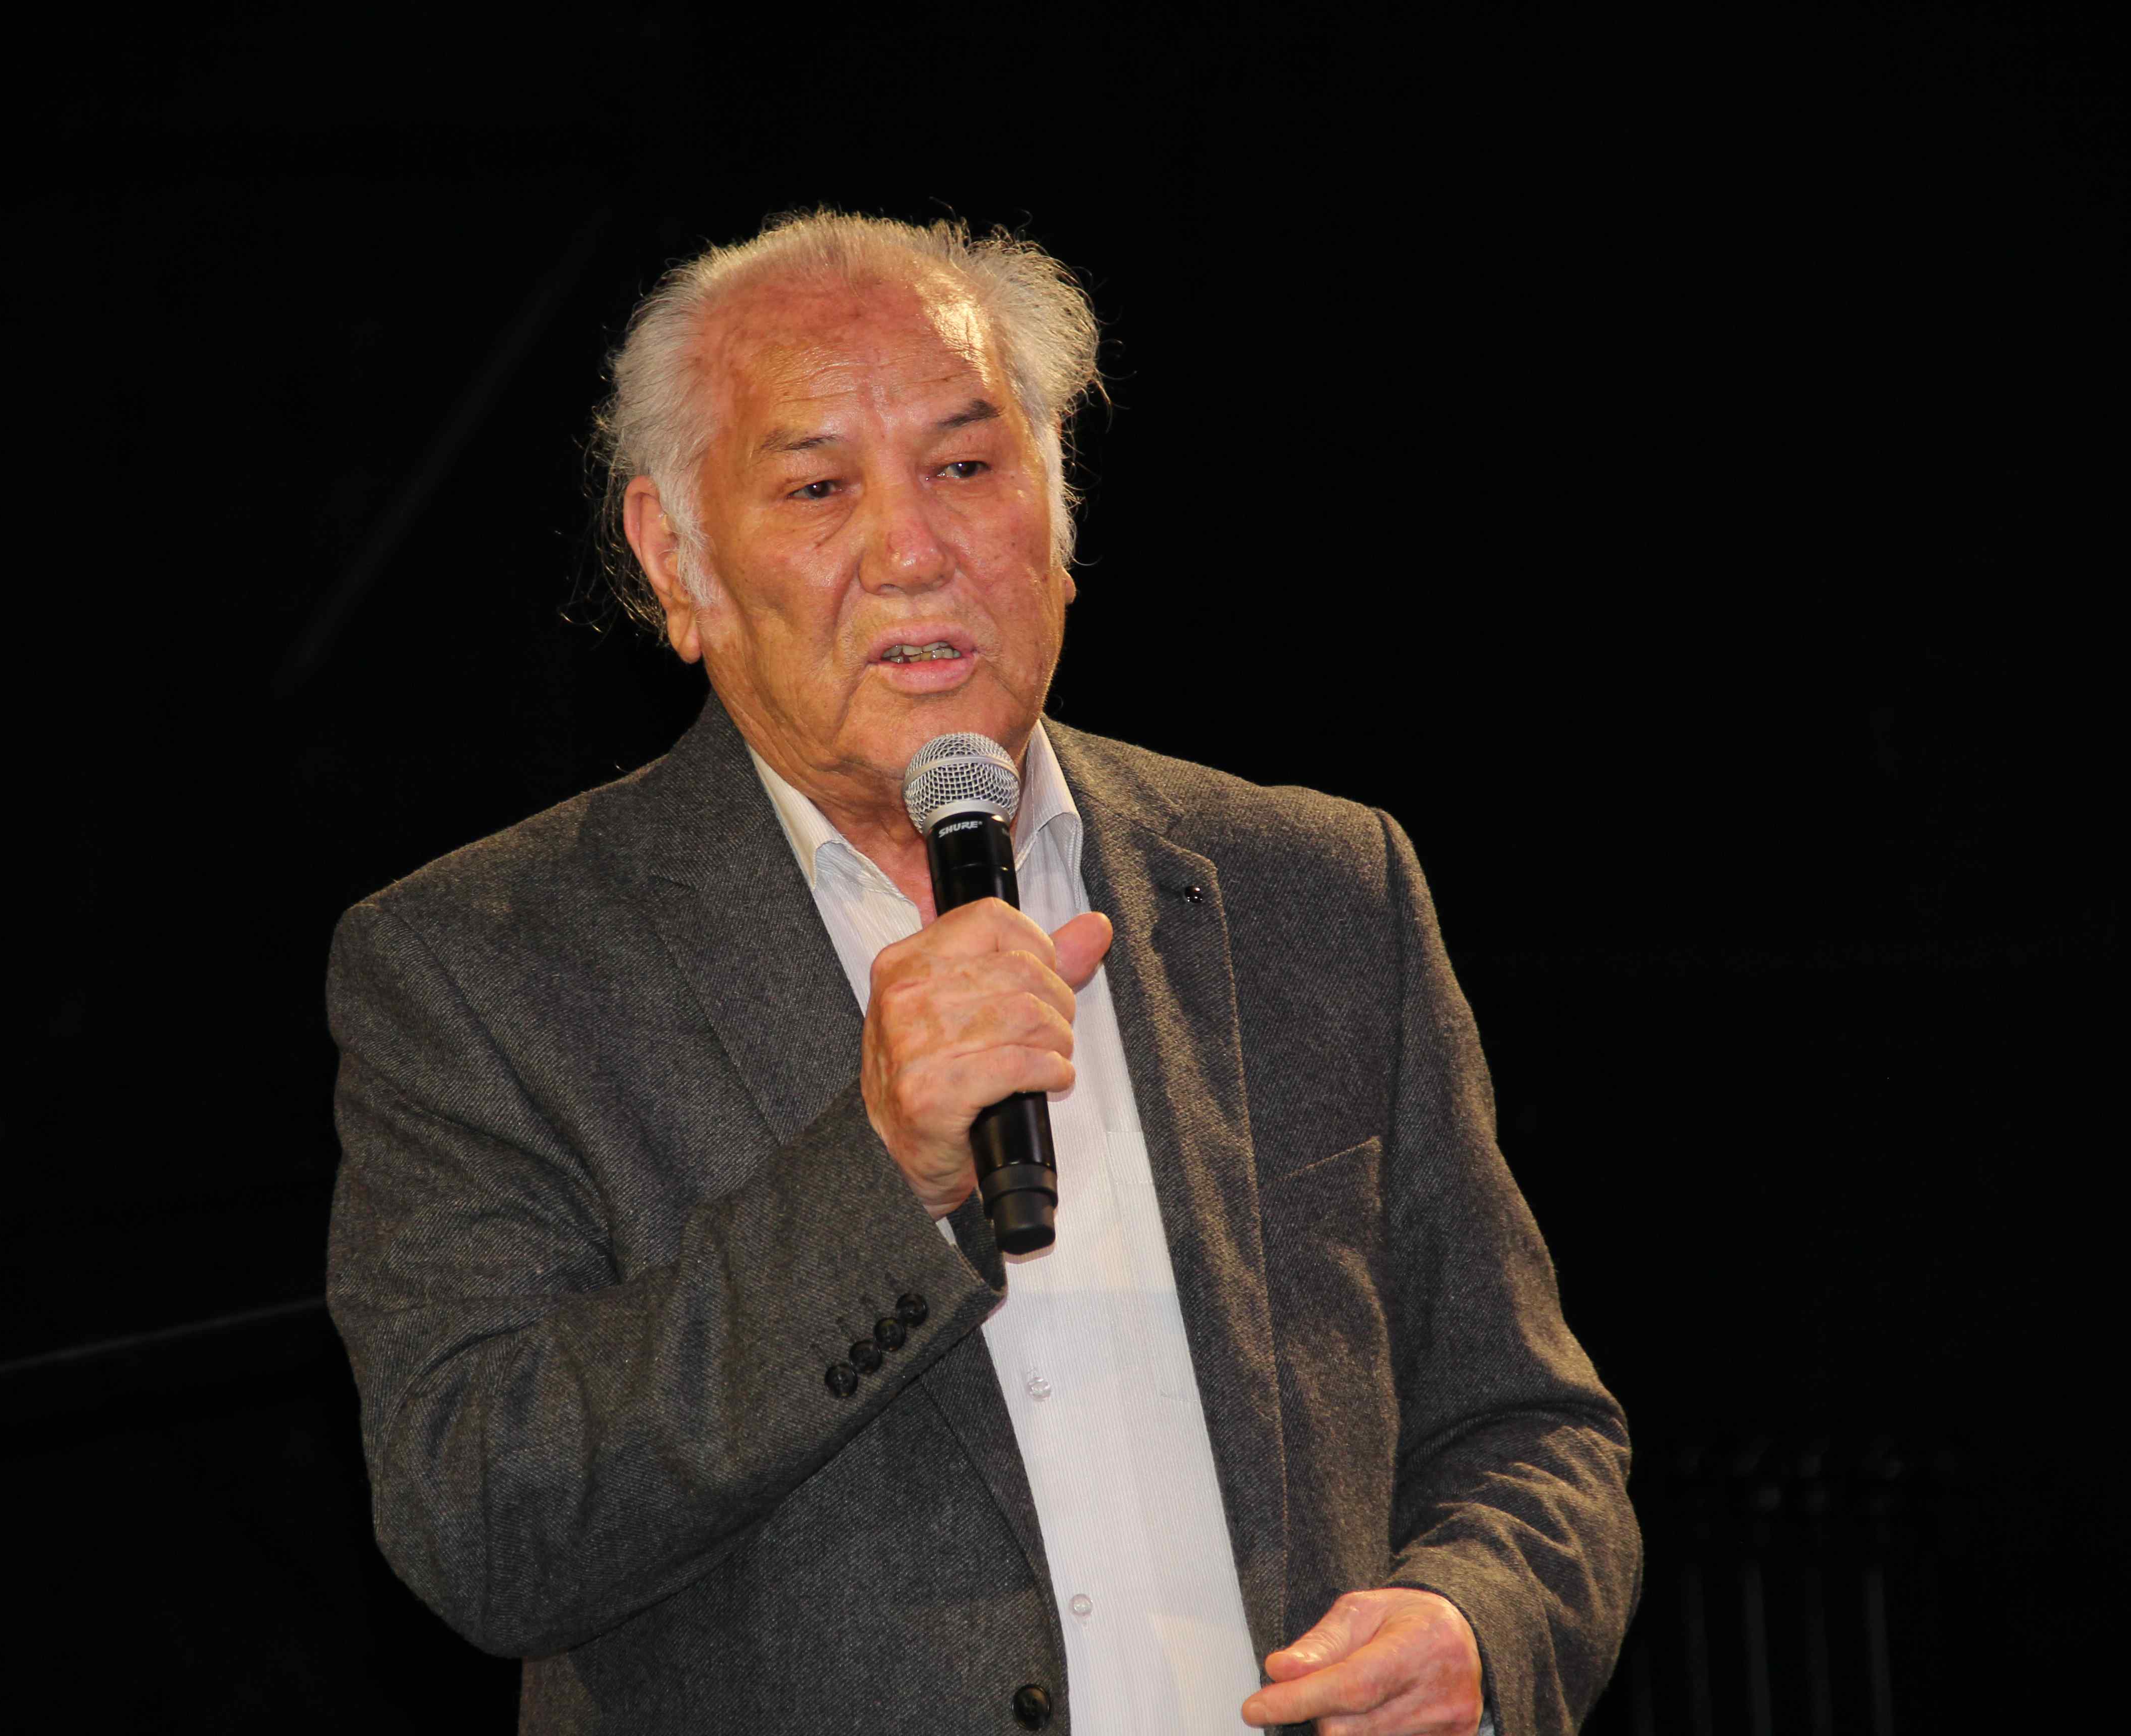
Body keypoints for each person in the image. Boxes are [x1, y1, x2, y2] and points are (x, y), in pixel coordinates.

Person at [325, 210, 1639, 1735]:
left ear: (1059, 510)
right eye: (819, 487)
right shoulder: (484, 966)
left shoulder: (1313, 887)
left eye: (965, 466)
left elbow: (1532, 1430)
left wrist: (1478, 1623)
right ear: (674, 561)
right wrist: (880, 1180)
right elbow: (483, 1523)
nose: (913, 551)